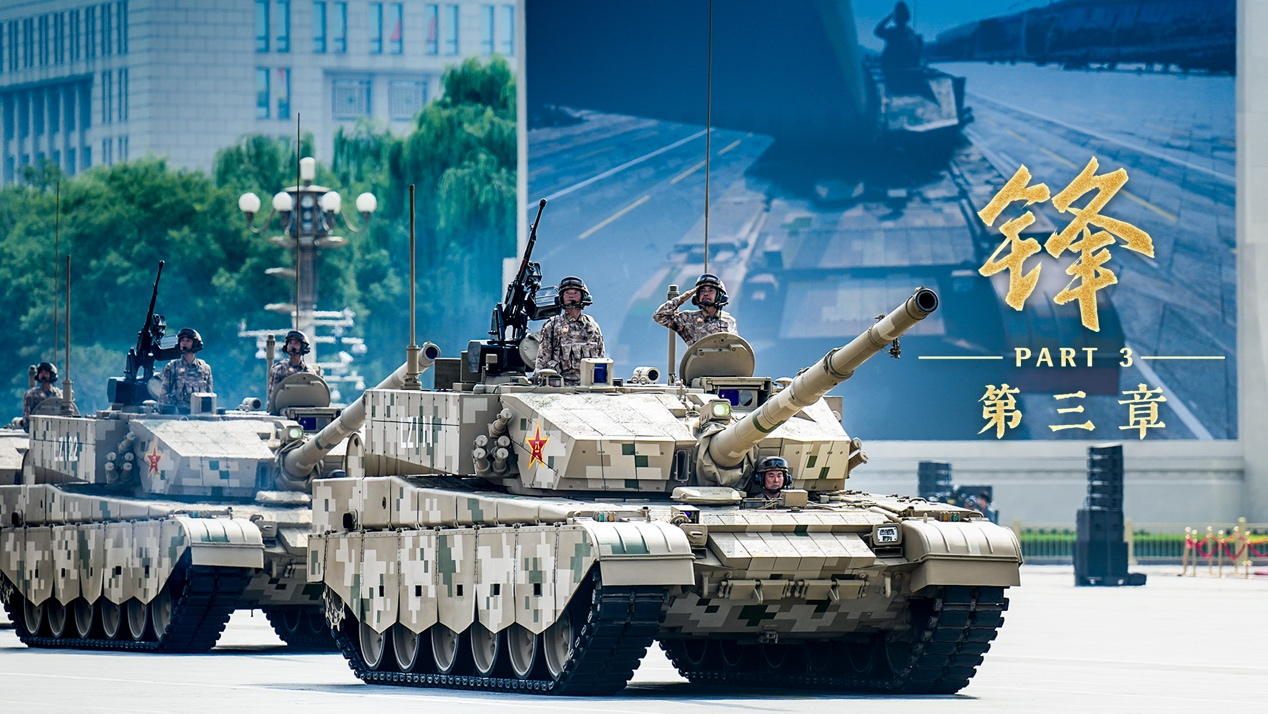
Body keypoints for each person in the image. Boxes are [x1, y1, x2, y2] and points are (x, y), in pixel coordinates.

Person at [534, 276, 605, 386]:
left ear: (583, 297)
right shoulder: (552, 326)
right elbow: (542, 361)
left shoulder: (592, 326)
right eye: (567, 293)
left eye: (575, 292)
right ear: (561, 298)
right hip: (559, 388)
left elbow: (601, 359)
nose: (571, 296)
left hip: (587, 387)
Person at [653, 273, 739, 347]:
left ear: (720, 296)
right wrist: (682, 298)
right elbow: (659, 316)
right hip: (698, 361)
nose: (706, 293)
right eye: (702, 291)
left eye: (711, 290)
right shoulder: (688, 318)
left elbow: (736, 350)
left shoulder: (729, 321)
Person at [160, 327, 213, 413]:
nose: (184, 343)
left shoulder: (205, 368)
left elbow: (209, 395)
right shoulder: (172, 367)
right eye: (182, 340)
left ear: (195, 344)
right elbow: (163, 395)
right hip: (177, 414)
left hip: (199, 414)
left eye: (188, 341)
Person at [268, 330, 323, 406]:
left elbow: (316, 393)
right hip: (285, 408)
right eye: (290, 343)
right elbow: (273, 396)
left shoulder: (309, 371)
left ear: (303, 346)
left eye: (296, 343)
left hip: (305, 408)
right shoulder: (280, 369)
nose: (292, 346)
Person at [874, 1, 923, 72]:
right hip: (897, 69)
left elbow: (877, 31)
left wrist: (890, 16)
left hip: (899, 69)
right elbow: (877, 31)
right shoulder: (908, 34)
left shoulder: (893, 33)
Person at [21, 361, 63, 431]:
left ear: (52, 375)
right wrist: (28, 427)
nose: (43, 375)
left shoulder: (58, 394)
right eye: (41, 372)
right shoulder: (32, 394)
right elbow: (27, 414)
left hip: (57, 428)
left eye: (46, 372)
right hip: (38, 428)